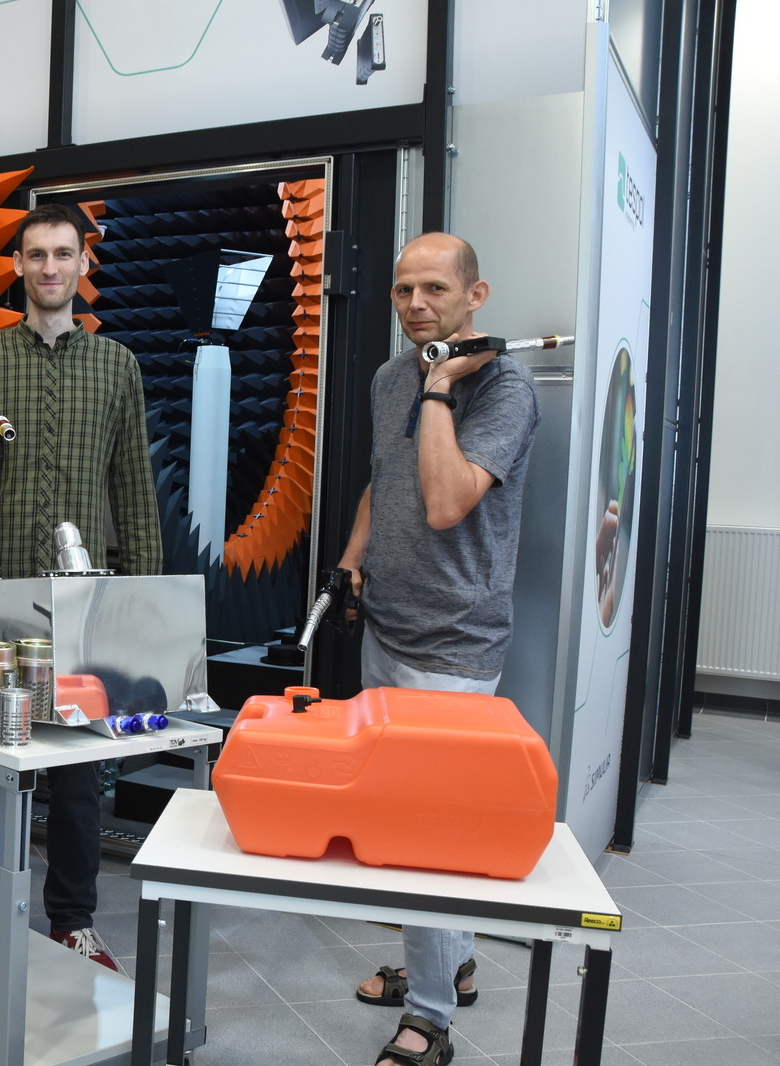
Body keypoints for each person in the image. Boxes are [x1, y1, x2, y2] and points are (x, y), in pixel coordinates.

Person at [0, 202, 163, 970]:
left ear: (83, 264)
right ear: (17, 266)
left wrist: (145, 599)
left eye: (62, 253)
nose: (50, 267)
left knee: (79, 768)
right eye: (36, 255)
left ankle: (74, 917)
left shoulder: (116, 365)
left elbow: (135, 487)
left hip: (82, 596)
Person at [338, 233, 540, 1065]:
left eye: (434, 289)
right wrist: (353, 559)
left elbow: (448, 501)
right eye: (402, 290)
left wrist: (440, 387)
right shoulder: (392, 376)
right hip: (387, 625)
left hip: (455, 644)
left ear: (474, 296)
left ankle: (428, 1020)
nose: (415, 305)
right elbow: (388, 479)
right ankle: (450, 965)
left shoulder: (506, 389)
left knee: (425, 834)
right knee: (401, 817)